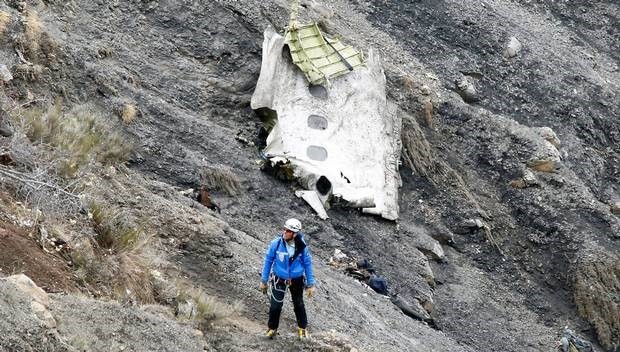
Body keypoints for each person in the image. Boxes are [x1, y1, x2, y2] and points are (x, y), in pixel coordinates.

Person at [259, 218, 315, 339]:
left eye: (288, 231)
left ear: (294, 234)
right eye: (284, 229)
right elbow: (268, 261)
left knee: (298, 304)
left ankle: (302, 328)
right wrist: (264, 281)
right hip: (279, 278)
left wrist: (311, 284)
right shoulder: (276, 244)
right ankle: (272, 328)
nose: (284, 232)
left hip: (297, 279)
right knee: (275, 306)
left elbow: (307, 264)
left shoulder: (302, 247)